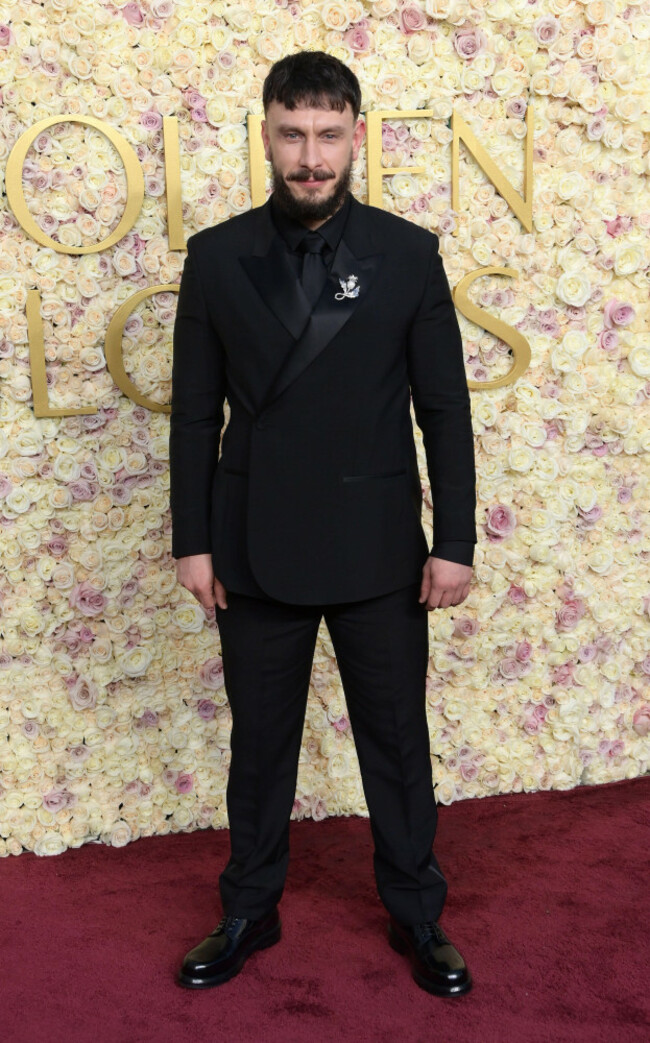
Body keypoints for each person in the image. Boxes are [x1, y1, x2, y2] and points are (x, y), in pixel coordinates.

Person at [169, 51, 477, 997]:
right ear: (265, 134)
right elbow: (193, 409)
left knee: (396, 734)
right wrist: (193, 539)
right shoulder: (217, 256)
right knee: (259, 741)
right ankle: (249, 909)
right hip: (254, 540)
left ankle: (418, 913)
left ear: (355, 138)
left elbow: (444, 408)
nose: (311, 156)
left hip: (379, 541)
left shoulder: (408, 251)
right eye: (293, 135)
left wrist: (454, 540)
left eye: (328, 135)